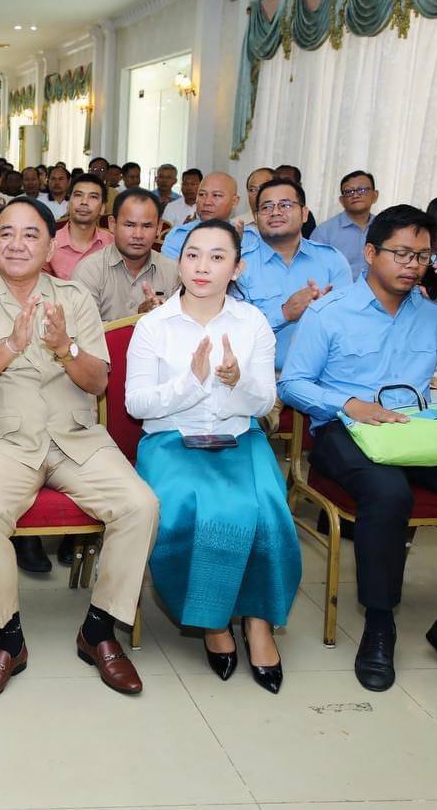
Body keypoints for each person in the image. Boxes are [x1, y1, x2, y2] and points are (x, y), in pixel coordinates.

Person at [279, 204, 437, 701]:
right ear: (370, 253)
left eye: (422, 256)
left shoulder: (434, 312)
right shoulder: (329, 312)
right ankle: (380, 624)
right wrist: (350, 404)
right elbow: (294, 383)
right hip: (345, 429)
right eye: (401, 253)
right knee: (388, 494)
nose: (412, 265)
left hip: (416, 430)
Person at [0, 197, 159, 701]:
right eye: (6, 233)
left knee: (140, 504)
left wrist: (65, 347)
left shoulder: (74, 298)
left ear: (49, 247)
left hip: (74, 436)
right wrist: (10, 346)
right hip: (3, 441)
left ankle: (99, 630)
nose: (17, 244)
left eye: (31, 235)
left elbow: (98, 381)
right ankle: (7, 639)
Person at [127, 219, 299, 694]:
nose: (202, 267)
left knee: (269, 512)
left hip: (239, 437)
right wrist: (192, 382)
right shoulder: (154, 325)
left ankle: (259, 623)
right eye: (193, 255)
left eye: (217, 257)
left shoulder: (252, 322)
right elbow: (136, 404)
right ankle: (214, 620)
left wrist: (235, 381)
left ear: (237, 268)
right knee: (196, 512)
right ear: (179, 262)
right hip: (172, 442)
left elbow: (264, 403)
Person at [237, 177, 351, 373]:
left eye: (285, 205)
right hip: (260, 376)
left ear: (304, 214)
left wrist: (325, 314)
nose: (275, 212)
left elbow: (350, 324)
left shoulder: (332, 260)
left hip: (324, 376)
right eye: (266, 207)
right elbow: (235, 333)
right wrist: (284, 314)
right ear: (256, 218)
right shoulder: (239, 265)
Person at [71, 188, 180, 323]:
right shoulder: (89, 271)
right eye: (129, 225)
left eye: (147, 226)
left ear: (158, 228)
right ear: (112, 224)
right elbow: (85, 331)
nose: (138, 235)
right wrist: (140, 321)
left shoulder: (172, 272)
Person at [162, 172, 262, 260]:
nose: (207, 202)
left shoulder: (250, 238)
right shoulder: (178, 236)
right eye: (202, 194)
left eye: (216, 195)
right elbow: (172, 274)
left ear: (234, 201)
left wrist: (236, 246)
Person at [310, 171, 379, 277]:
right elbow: (313, 271)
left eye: (362, 189)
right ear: (341, 200)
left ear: (375, 195)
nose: (356, 195)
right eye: (349, 191)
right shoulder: (324, 232)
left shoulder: (385, 228)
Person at [45, 173, 112, 280]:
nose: (84, 202)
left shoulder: (113, 244)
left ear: (103, 208)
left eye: (93, 197)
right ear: (68, 204)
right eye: (78, 195)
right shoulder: (48, 244)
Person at [231, 167, 274, 231]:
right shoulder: (234, 226)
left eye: (264, 188)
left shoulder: (285, 225)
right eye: (253, 190)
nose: (258, 194)